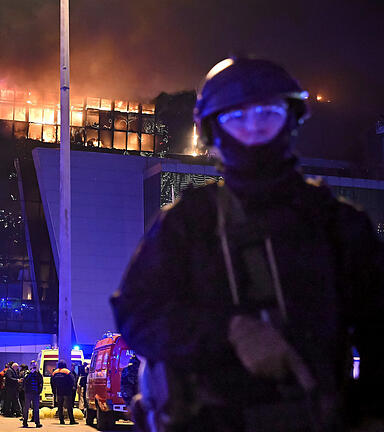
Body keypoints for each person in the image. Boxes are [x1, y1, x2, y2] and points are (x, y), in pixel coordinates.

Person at [111, 57, 384, 432]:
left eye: (267, 114)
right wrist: (228, 332)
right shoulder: (190, 222)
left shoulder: (337, 223)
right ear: (213, 131)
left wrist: (371, 413)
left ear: (291, 119)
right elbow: (136, 315)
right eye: (236, 118)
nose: (254, 129)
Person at [21, 360, 44, 428]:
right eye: (33, 365)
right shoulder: (27, 373)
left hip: (36, 393)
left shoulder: (38, 374)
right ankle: (25, 422)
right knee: (26, 408)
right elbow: (25, 380)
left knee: (36, 408)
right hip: (28, 393)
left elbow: (41, 382)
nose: (34, 366)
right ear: (30, 365)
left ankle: (37, 422)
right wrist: (31, 373)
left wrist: (40, 391)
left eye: (35, 365)